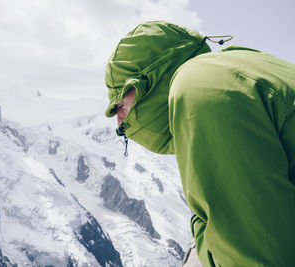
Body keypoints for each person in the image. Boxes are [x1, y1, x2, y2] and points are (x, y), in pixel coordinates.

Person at [104, 20, 295, 267]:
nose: (119, 121)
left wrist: (202, 231)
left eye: (120, 104)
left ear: (144, 83)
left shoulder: (199, 86)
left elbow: (260, 254)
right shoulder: (235, 63)